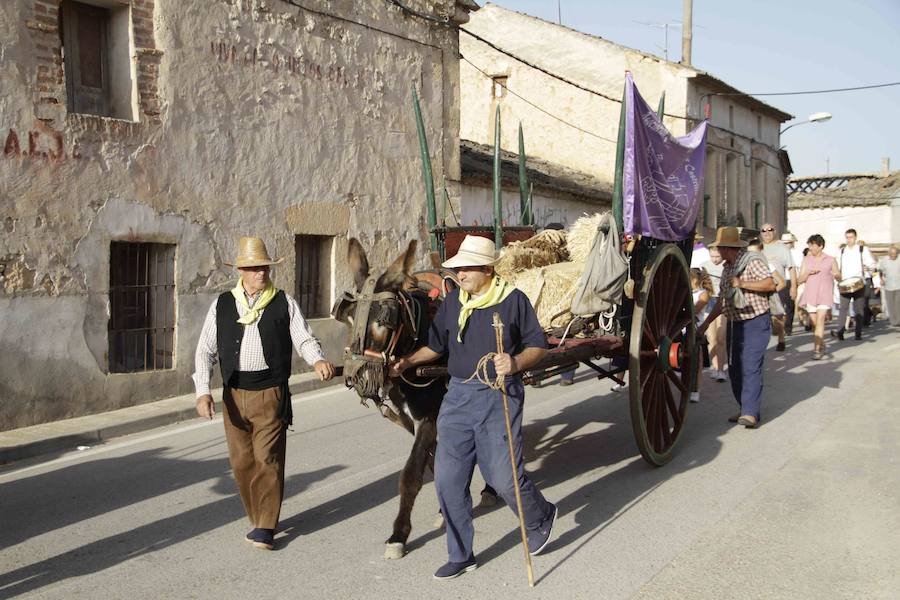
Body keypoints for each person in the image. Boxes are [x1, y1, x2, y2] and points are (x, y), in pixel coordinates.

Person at [389, 235, 557, 580]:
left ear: (486, 269)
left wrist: (515, 361)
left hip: (497, 395)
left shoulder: (512, 301)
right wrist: (405, 362)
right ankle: (461, 554)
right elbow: (435, 347)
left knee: (503, 478)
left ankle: (541, 515)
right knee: (448, 481)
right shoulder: (454, 304)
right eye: (457, 268)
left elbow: (538, 347)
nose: (459, 273)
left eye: (466, 268)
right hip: (458, 397)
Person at [193, 237, 336, 550]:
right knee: (242, 462)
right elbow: (205, 350)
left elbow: (303, 337)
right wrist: (202, 391)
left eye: (265, 268)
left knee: (267, 459)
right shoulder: (223, 304)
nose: (261, 273)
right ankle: (259, 516)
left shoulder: (283, 302)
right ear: (241, 271)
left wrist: (318, 359)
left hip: (270, 392)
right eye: (255, 268)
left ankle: (266, 525)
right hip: (233, 395)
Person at [698, 227, 776, 429]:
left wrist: (741, 282)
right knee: (735, 369)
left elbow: (770, 284)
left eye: (721, 248)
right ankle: (745, 407)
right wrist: (706, 323)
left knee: (750, 365)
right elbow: (722, 301)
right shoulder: (727, 268)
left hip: (756, 320)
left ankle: (750, 413)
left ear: (729, 247)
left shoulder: (752, 261)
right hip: (736, 321)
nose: (718, 252)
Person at [798, 234, 841, 360]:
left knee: (821, 320)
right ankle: (821, 344)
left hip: (825, 294)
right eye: (809, 245)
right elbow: (800, 279)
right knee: (815, 323)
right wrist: (808, 273)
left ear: (820, 246)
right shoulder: (807, 259)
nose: (810, 248)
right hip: (810, 295)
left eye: (812, 245)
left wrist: (837, 275)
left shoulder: (831, 259)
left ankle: (817, 350)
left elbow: (838, 275)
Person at [834, 228, 877, 340]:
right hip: (845, 283)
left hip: (859, 283)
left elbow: (872, 265)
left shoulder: (862, 249)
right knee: (843, 308)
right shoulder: (842, 251)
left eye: (851, 237)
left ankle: (858, 332)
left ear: (855, 238)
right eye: (847, 237)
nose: (849, 240)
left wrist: (869, 268)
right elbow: (836, 267)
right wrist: (837, 276)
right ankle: (840, 331)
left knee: (859, 309)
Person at [760, 223, 796, 351]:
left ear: (774, 231)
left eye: (770, 230)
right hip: (761, 287)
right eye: (764, 230)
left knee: (778, 315)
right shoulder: (759, 248)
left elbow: (791, 268)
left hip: (778, 286)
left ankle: (781, 338)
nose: (767, 232)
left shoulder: (782, 248)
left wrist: (794, 287)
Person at [700, 247, 728, 382]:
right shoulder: (704, 266)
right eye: (712, 256)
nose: (715, 259)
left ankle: (721, 369)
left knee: (721, 337)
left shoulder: (727, 265)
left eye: (717, 256)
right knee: (711, 338)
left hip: (723, 299)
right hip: (709, 300)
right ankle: (715, 367)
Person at [690, 268, 714, 402]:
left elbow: (695, 309)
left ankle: (695, 389)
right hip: (680, 329)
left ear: (694, 280)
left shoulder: (703, 294)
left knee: (697, 361)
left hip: (696, 328)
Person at [781, 232, 803, 334]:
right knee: (779, 304)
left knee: (790, 305)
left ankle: (788, 327)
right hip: (780, 280)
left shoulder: (797, 253)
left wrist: (797, 282)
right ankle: (779, 326)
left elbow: (799, 267)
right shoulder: (779, 253)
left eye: (788, 243)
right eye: (785, 243)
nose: (786, 245)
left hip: (791, 280)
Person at [878, 244, 900, 326]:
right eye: (892, 255)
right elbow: (880, 270)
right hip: (888, 285)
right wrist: (881, 279)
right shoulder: (885, 260)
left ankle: (898, 320)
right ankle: (894, 321)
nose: (893, 256)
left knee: (898, 303)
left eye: (895, 254)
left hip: (899, 285)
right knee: (890, 304)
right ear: (889, 254)